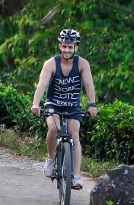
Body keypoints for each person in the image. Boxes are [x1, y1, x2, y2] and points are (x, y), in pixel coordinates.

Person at [30, 28, 99, 190]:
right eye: (64, 46)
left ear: (76, 47)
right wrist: (35, 104)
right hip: (53, 104)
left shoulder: (82, 64)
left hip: (73, 105)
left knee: (74, 135)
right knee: (53, 129)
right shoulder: (51, 63)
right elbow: (42, 85)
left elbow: (89, 84)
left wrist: (93, 104)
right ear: (60, 46)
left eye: (70, 47)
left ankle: (76, 176)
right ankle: (51, 159)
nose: (67, 50)